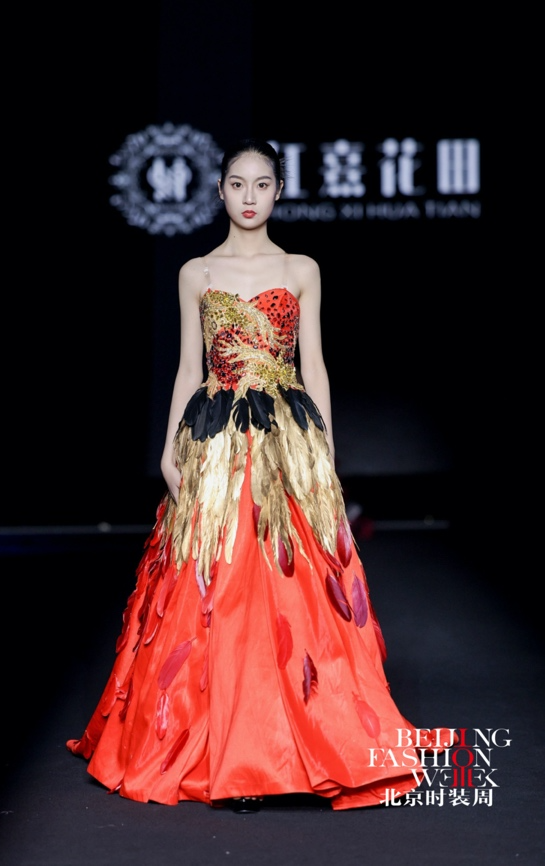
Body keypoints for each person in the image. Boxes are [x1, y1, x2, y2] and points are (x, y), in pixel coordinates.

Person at [67, 138, 452, 812]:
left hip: (286, 440)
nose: (249, 196)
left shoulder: (301, 268)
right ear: (220, 191)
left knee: (291, 588)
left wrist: (324, 451)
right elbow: (188, 369)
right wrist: (167, 449)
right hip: (216, 444)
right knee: (218, 588)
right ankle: (230, 748)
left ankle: (295, 743)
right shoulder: (196, 272)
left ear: (278, 191)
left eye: (262, 184)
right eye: (238, 184)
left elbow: (314, 365)